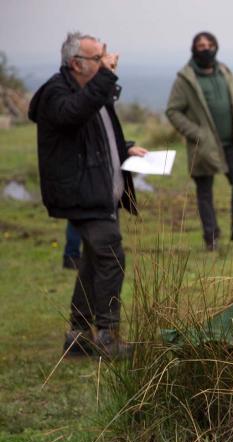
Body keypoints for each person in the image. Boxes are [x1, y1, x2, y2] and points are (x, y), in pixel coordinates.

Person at [28, 32, 147, 357]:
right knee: (111, 257)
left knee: (94, 260)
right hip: (82, 193)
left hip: (98, 191)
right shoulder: (56, 93)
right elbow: (72, 115)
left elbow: (97, 135)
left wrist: (124, 148)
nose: (106, 62)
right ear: (76, 63)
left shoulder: (90, 91)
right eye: (97, 58)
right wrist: (106, 76)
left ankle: (79, 335)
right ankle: (107, 337)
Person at [166, 32, 233, 250]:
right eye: (201, 45)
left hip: (232, 143)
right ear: (193, 49)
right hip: (204, 146)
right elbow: (173, 111)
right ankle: (211, 237)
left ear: (216, 47)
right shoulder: (185, 79)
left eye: (210, 44)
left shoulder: (225, 72)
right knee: (205, 191)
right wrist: (196, 133)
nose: (206, 48)